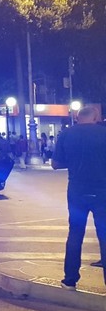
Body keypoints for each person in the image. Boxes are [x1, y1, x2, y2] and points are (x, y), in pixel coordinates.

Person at [52, 106, 106, 290]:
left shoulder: (66, 134)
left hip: (76, 192)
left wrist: (75, 162)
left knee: (75, 233)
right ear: (96, 117)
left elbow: (55, 164)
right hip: (103, 192)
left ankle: (70, 279)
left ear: (77, 117)